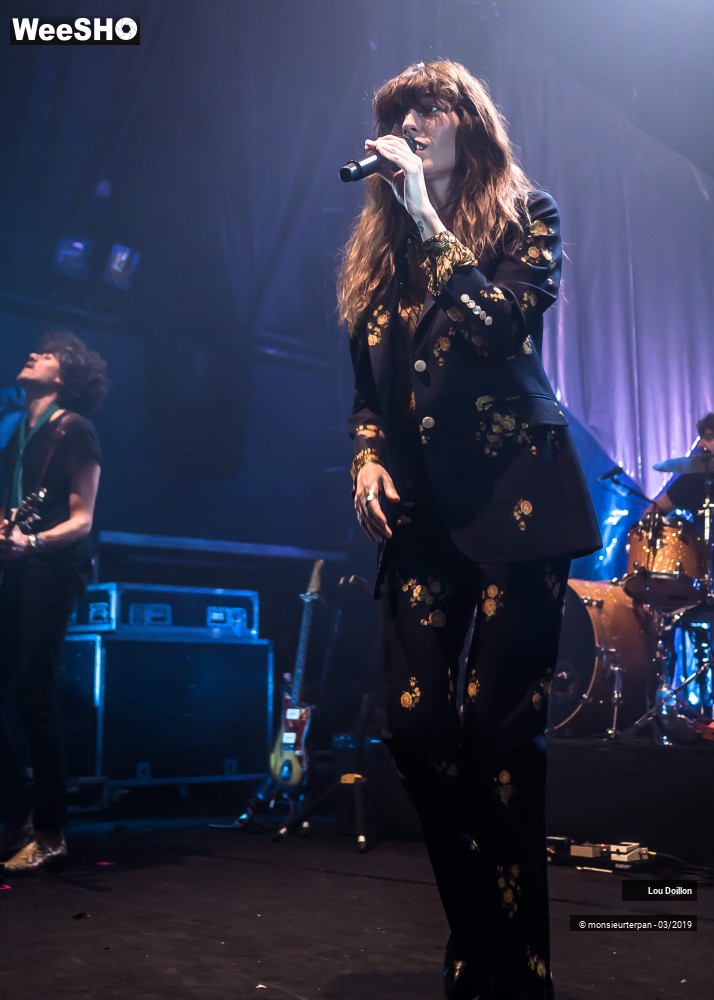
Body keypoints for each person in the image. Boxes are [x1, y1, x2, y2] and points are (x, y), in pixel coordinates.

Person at [337, 61, 601, 999]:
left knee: (498, 732)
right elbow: (368, 393)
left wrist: (424, 212)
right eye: (396, 113)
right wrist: (366, 458)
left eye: (429, 107)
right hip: (421, 515)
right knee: (413, 730)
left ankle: (516, 965)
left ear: (469, 124)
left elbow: (497, 331)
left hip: (519, 500)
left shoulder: (528, 216)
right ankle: (484, 931)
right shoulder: (379, 255)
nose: (410, 122)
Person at [0, 331, 108, 874]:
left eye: (47, 354)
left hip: (52, 570)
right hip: (16, 568)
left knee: (35, 694)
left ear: (63, 376)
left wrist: (32, 541)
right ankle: (19, 811)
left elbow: (82, 520)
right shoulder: (16, 432)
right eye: (34, 348)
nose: (33, 353)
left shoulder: (75, 430)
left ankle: (49, 831)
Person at [647, 412, 714, 525]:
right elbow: (652, 512)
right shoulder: (693, 480)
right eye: (701, 438)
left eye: (708, 437)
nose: (700, 444)